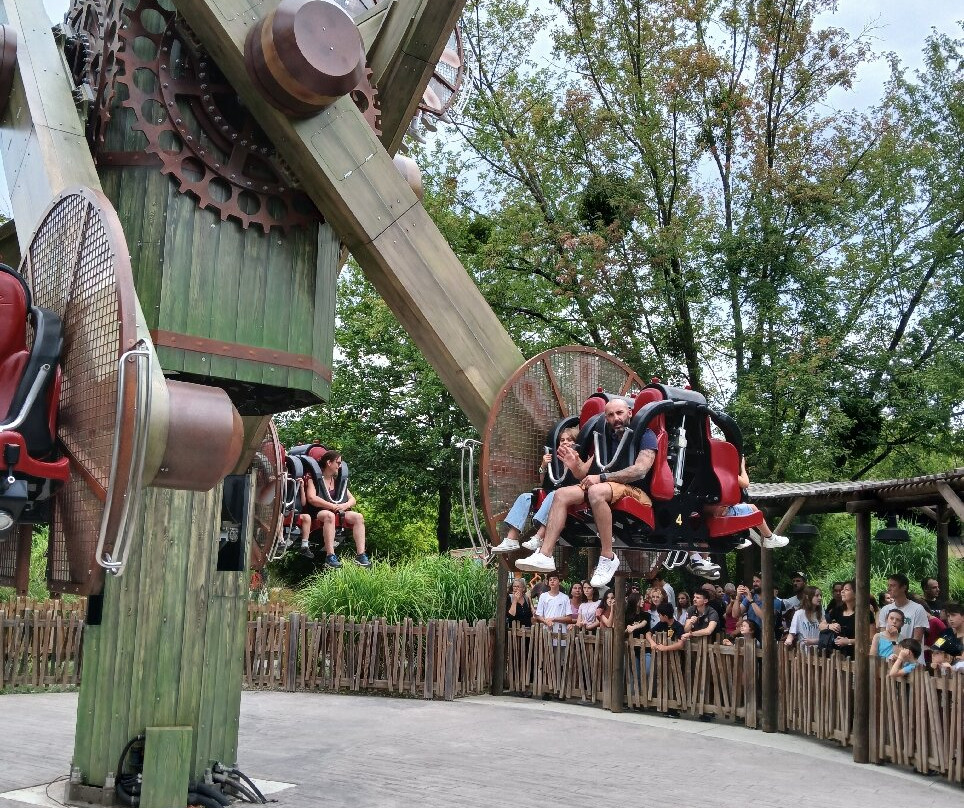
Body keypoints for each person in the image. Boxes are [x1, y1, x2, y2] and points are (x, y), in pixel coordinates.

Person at [516, 398, 657, 587]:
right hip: (606, 486)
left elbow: (640, 469)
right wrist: (574, 465)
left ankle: (608, 556)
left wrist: (603, 478)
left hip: (636, 490)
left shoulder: (645, 434)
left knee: (596, 491)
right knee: (561, 494)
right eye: (610, 415)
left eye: (620, 413)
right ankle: (545, 554)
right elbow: (584, 471)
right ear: (606, 417)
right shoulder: (604, 437)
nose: (616, 418)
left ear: (630, 412)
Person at [491, 427, 579, 553]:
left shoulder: (579, 458)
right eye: (562, 440)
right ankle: (511, 539)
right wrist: (543, 466)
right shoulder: (556, 459)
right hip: (551, 493)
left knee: (555, 494)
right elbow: (544, 482)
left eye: (569, 440)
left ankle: (539, 537)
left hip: (568, 497)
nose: (565, 442)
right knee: (525, 497)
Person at [299, 450, 370, 568]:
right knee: (329, 516)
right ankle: (330, 556)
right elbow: (311, 498)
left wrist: (344, 506)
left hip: (338, 510)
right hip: (319, 512)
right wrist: (331, 506)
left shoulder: (337, 482)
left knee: (358, 517)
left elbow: (352, 499)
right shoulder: (314, 480)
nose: (339, 466)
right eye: (338, 462)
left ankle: (361, 555)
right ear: (329, 463)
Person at [710, 456, 789, 550]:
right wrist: (742, 467)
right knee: (752, 508)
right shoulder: (722, 469)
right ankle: (769, 538)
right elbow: (745, 483)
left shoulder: (703, 471)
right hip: (721, 513)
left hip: (703, 510)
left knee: (738, 506)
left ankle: (698, 560)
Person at [818, 580, 867, 657]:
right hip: (836, 656)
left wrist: (848, 641)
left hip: (857, 656)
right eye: (842, 590)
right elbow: (821, 626)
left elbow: (870, 638)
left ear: (856, 594)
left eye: (846, 590)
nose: (842, 592)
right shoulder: (837, 610)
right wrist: (829, 626)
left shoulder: (865, 613)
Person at [877, 573, 928, 642]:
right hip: (889, 652)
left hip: (910, 651)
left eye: (893, 586)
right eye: (888, 585)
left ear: (904, 587)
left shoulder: (918, 609)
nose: (888, 589)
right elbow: (883, 637)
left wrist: (903, 651)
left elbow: (917, 640)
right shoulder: (885, 609)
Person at [785, 586, 823, 651]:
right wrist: (788, 641)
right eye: (817, 595)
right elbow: (792, 633)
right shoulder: (799, 614)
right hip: (804, 652)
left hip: (820, 652)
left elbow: (825, 635)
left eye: (820, 595)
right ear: (807, 597)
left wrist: (814, 641)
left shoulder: (822, 612)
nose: (820, 598)